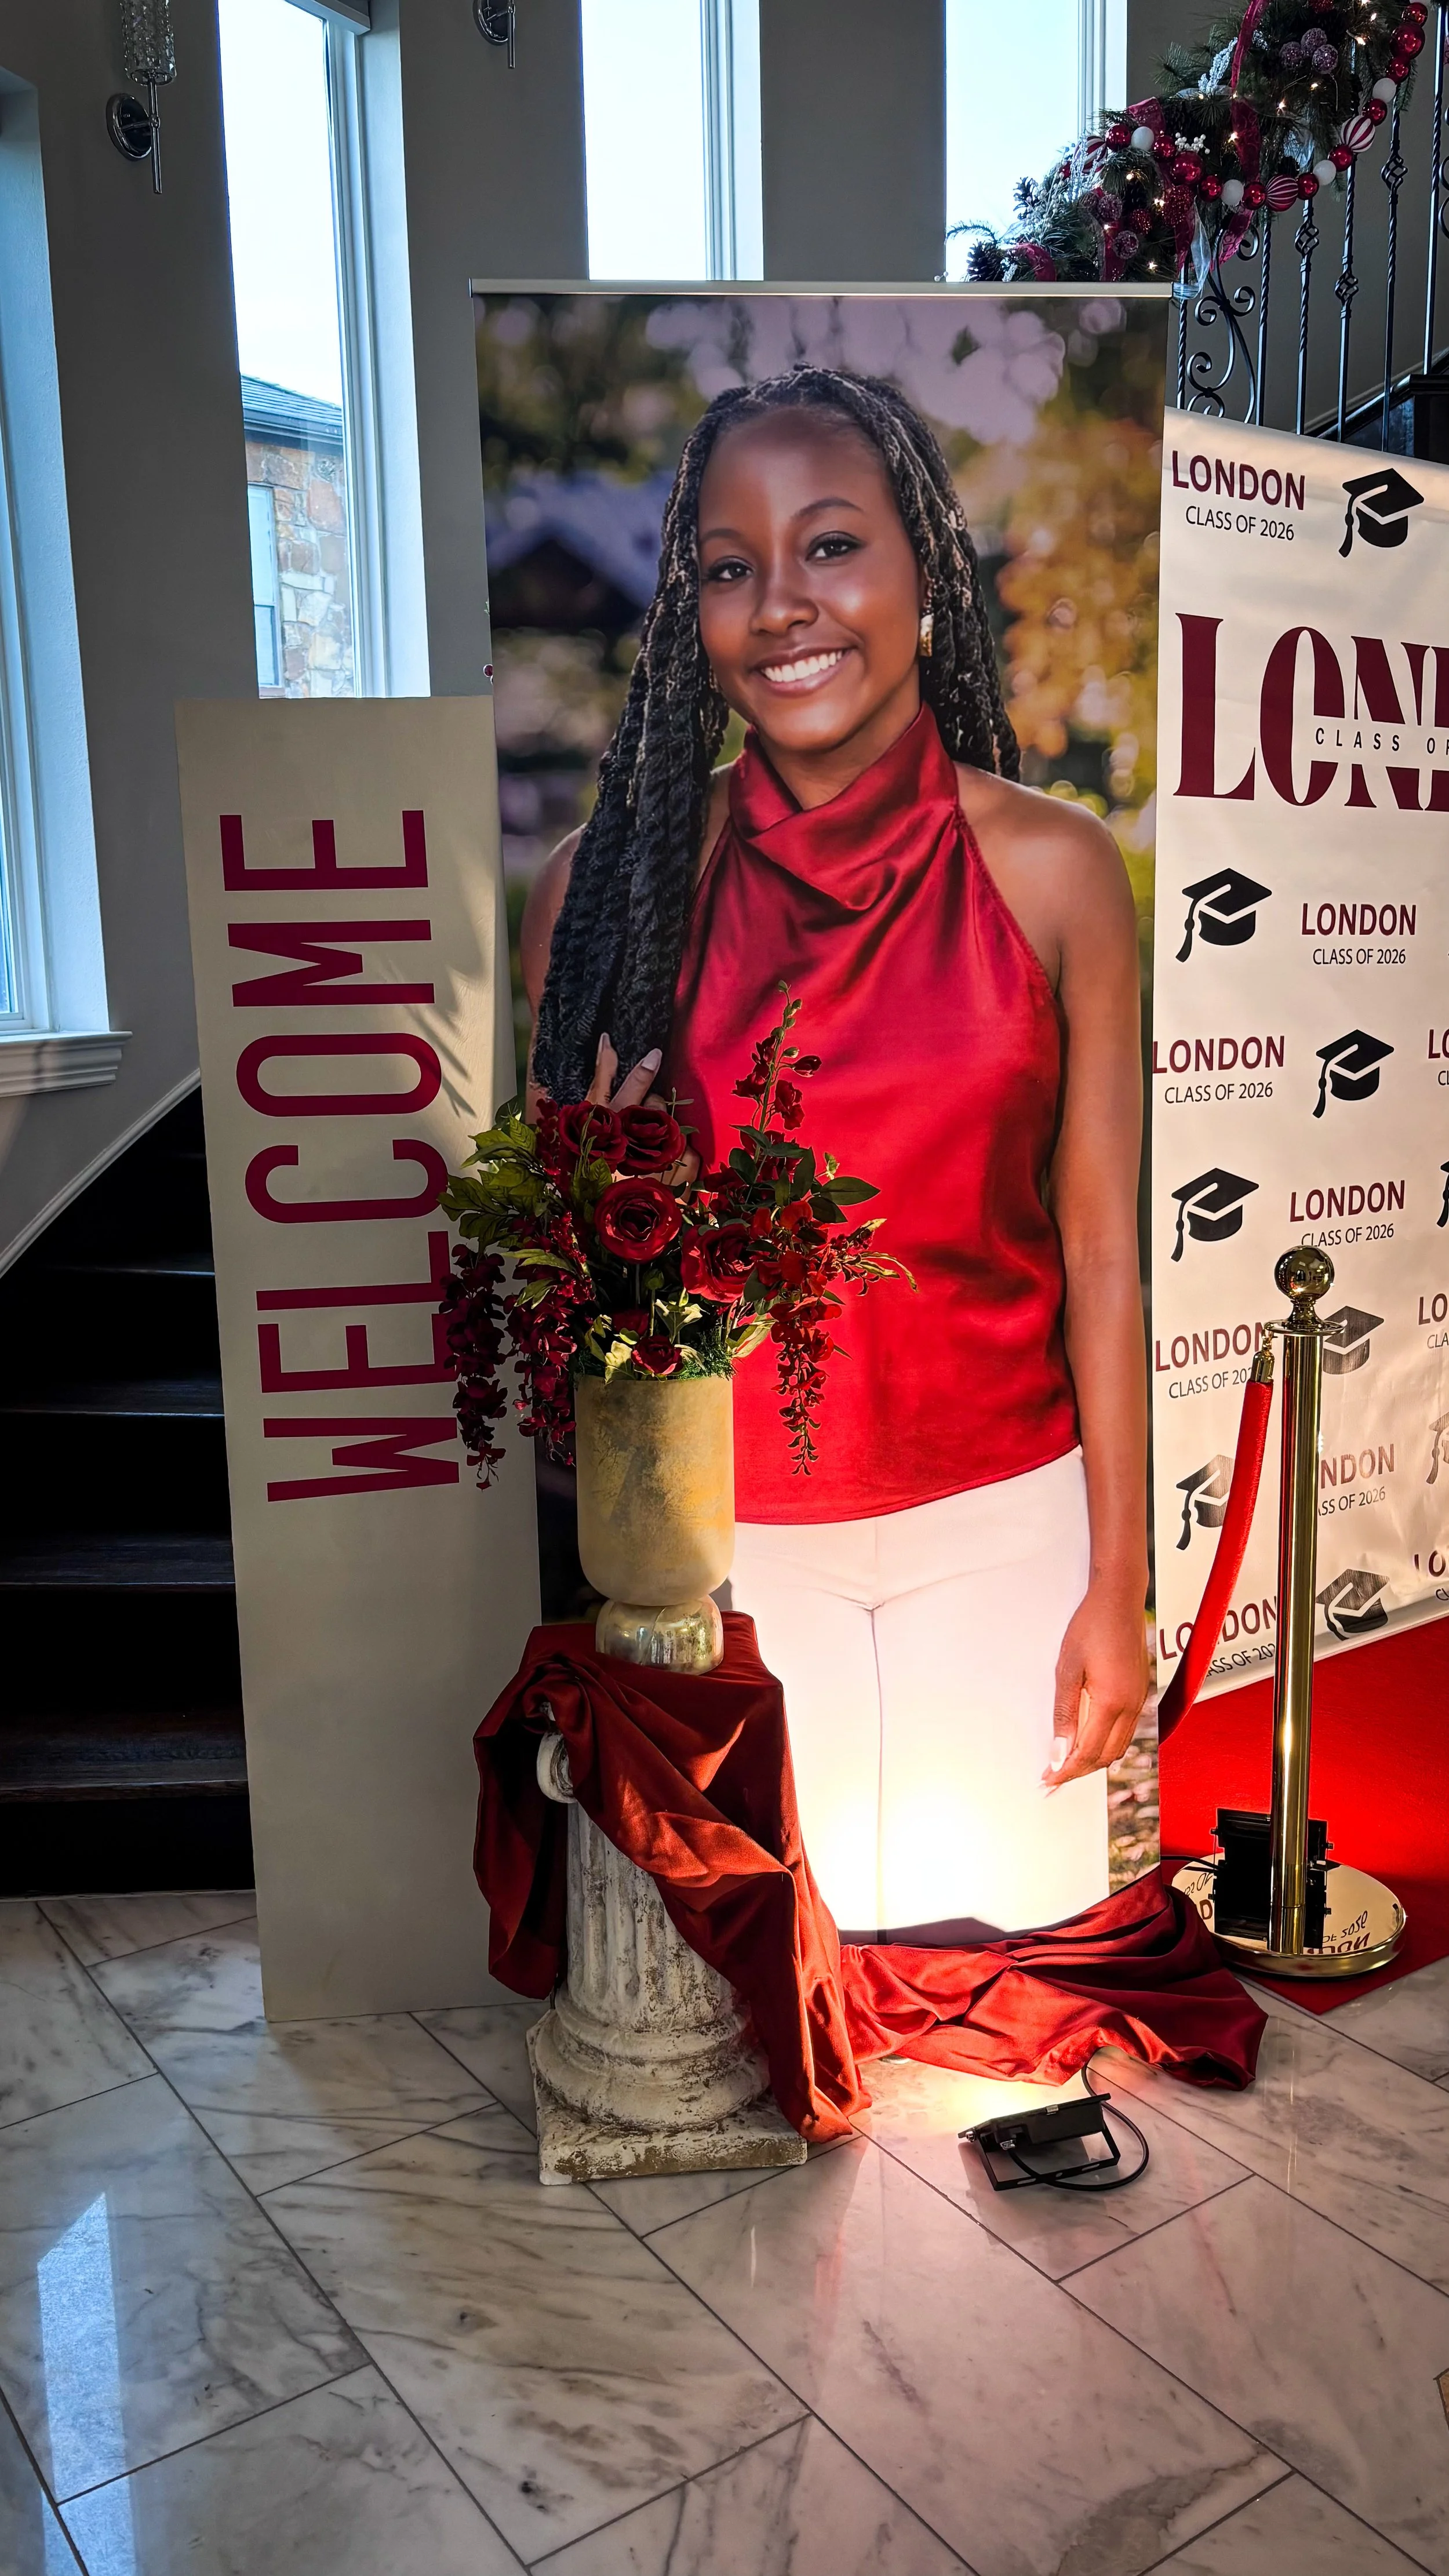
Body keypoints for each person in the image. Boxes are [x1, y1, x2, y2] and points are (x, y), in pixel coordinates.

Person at [521, 365, 1148, 1941]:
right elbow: (570, 1321)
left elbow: (1098, 1255)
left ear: (925, 572)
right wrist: (593, 1189)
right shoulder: (600, 897)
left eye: (830, 547)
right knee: (784, 2017)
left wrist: (1117, 1585)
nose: (781, 604)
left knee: (995, 1994)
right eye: (730, 567)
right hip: (734, 1560)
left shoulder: (1057, 868)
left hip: (1007, 1519)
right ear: (691, 618)